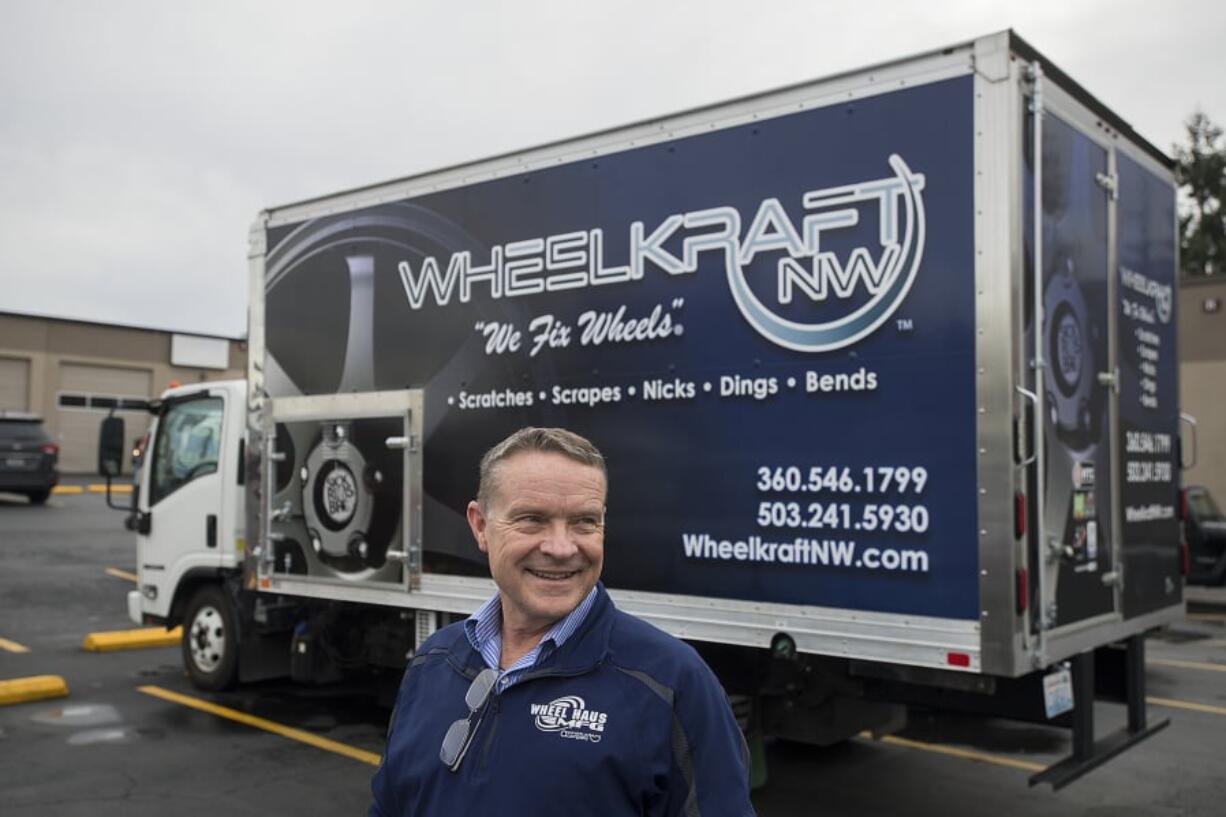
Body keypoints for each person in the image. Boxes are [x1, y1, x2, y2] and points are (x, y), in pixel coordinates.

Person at [370, 427, 755, 816]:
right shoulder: (432, 661)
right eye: (532, 519)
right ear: (480, 526)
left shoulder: (673, 683)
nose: (561, 547)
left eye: (584, 521)